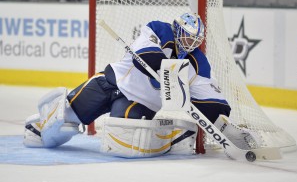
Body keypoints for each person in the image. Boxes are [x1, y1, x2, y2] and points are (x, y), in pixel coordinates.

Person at [23, 13, 260, 157]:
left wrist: (224, 125)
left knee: (123, 138)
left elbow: (208, 98)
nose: (190, 43)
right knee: (63, 120)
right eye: (187, 36)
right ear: (177, 29)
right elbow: (145, 54)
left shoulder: (198, 63)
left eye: (195, 39)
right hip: (110, 81)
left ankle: (174, 135)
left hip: (138, 102)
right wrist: (166, 68)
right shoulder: (159, 28)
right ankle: (37, 125)